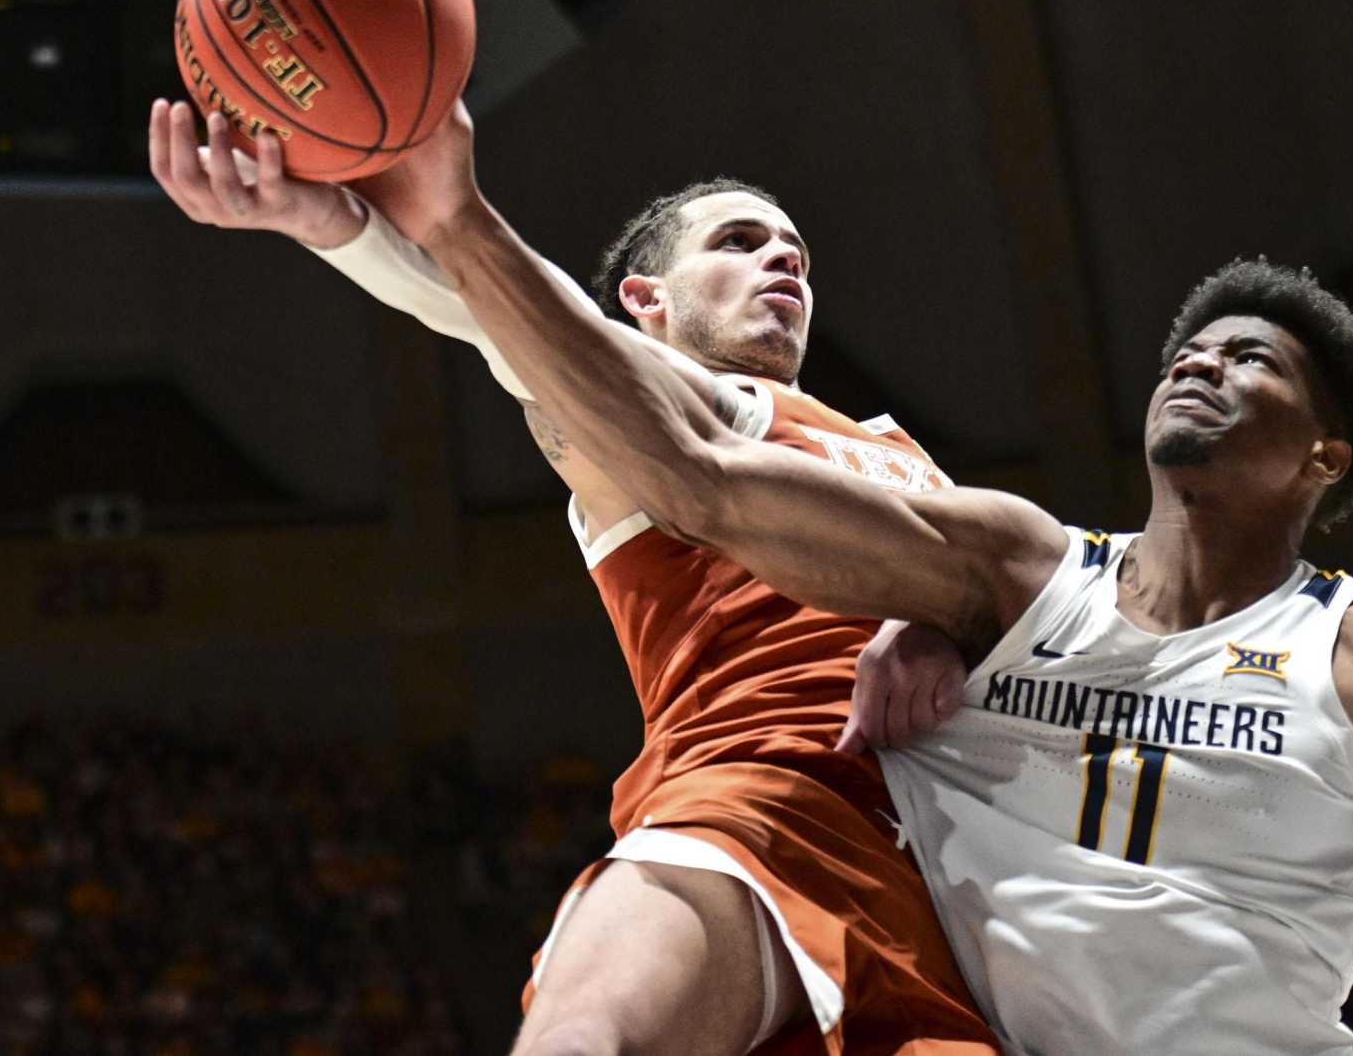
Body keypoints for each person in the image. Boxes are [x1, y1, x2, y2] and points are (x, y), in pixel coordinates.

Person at [330, 103, 1353, 1054]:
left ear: (1322, 452)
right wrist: (365, 223)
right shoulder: (1020, 569)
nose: (1194, 367)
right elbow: (678, 455)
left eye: (1244, 358)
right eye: (1182, 352)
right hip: (826, 886)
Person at [144, 99, 997, 1056]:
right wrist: (339, 226)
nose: (785, 257)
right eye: (740, 240)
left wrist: (941, 620)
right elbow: (507, 323)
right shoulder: (645, 424)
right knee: (587, 1039)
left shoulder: (900, 450)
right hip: (761, 806)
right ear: (644, 301)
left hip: (950, 895)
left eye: (795, 248)